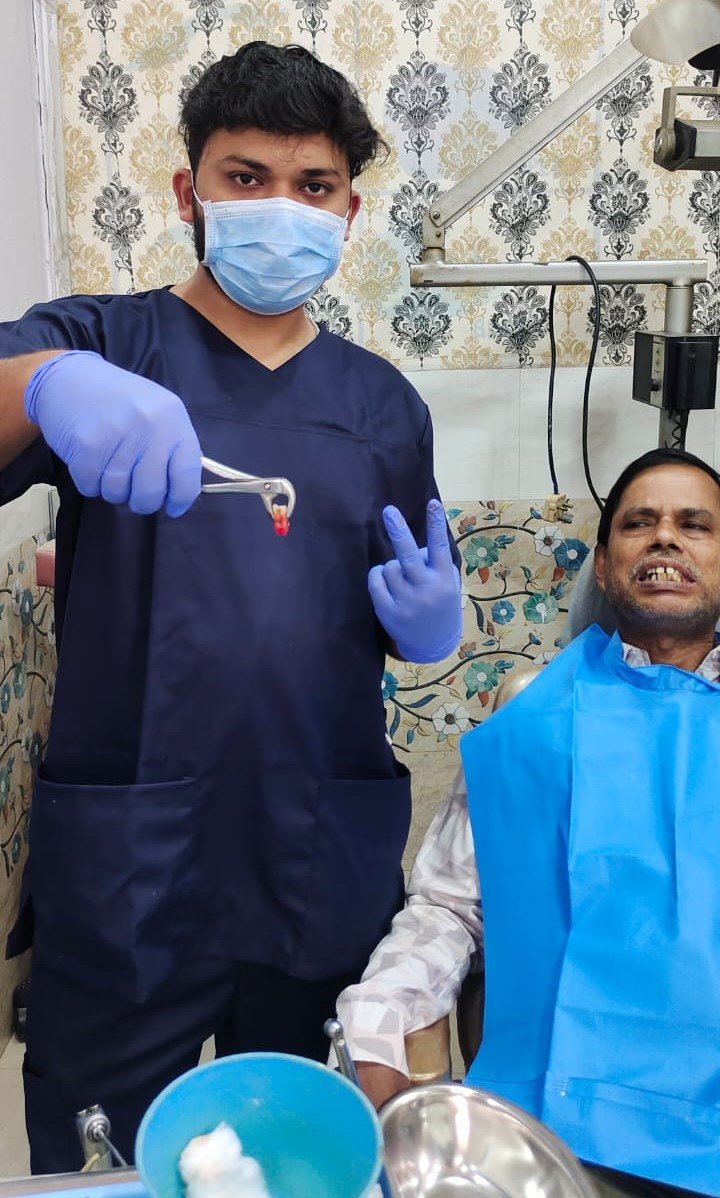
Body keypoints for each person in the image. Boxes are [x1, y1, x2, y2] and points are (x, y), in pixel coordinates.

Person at [0, 42, 462, 1172]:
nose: (279, 209)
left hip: (316, 848)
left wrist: (429, 627)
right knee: (101, 1152)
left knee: (307, 1150)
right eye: (244, 177)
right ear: (188, 191)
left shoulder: (383, 405)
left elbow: (412, 570)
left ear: (349, 209)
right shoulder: (107, 341)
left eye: (311, 188)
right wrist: (43, 386)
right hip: (135, 855)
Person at [338, 448, 720, 1198]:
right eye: (639, 523)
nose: (665, 539)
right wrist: (375, 1021)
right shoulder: (535, 714)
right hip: (551, 1130)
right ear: (605, 570)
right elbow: (449, 911)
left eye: (695, 525)